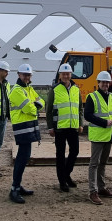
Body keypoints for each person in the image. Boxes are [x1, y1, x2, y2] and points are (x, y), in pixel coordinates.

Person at [8, 64, 45, 204]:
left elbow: (42, 101)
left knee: (24, 157)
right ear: (18, 75)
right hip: (22, 127)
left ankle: (17, 186)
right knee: (22, 158)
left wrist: (35, 105)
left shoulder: (28, 89)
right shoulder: (16, 90)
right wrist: (35, 106)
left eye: (28, 75)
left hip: (29, 126)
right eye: (24, 74)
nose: (26, 77)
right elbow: (29, 107)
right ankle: (14, 188)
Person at [46, 63, 83, 192]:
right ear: (60, 76)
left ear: (71, 75)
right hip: (60, 128)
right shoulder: (54, 89)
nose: (66, 76)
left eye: (68, 74)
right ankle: (62, 181)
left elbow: (80, 108)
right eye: (63, 74)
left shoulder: (76, 89)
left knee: (75, 151)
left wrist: (80, 124)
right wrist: (50, 127)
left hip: (73, 127)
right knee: (60, 155)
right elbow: (49, 110)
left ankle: (66, 175)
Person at [84, 71, 112, 205]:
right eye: (103, 82)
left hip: (109, 135)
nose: (105, 84)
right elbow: (88, 115)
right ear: (98, 83)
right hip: (98, 135)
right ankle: (93, 191)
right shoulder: (92, 97)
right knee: (94, 164)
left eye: (107, 82)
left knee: (103, 163)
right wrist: (104, 122)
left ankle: (101, 187)